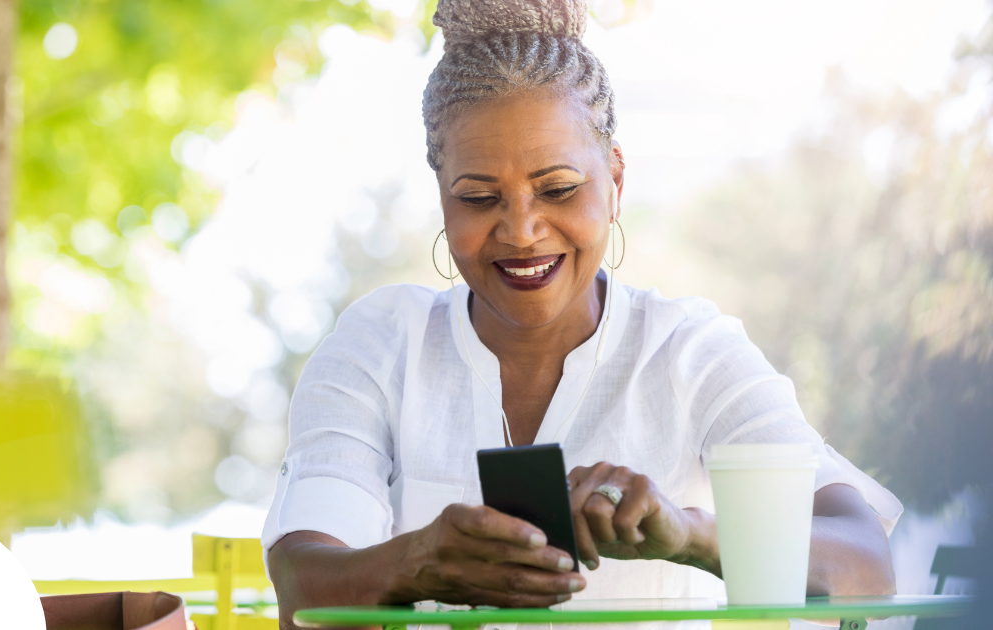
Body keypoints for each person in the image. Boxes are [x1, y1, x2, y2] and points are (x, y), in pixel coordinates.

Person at [263, 0, 903, 627]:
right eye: (479, 197)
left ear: (616, 181)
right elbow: (302, 580)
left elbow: (866, 566)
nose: (521, 231)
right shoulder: (383, 343)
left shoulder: (689, 351)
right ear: (443, 198)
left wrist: (690, 535)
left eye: (559, 189)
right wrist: (418, 560)